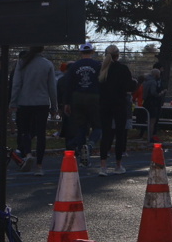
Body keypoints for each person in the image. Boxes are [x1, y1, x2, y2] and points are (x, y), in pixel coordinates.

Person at [9, 47, 58, 175]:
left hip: (24, 102)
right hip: (42, 102)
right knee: (41, 134)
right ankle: (39, 166)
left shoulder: (22, 62)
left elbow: (16, 84)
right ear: (42, 50)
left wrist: (13, 102)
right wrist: (54, 106)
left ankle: (28, 154)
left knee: (25, 131)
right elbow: (52, 87)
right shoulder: (47, 64)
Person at [98, 44, 135, 176]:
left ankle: (103, 165)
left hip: (104, 104)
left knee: (106, 134)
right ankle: (118, 164)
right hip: (120, 103)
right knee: (120, 134)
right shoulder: (123, 69)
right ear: (118, 55)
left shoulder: (102, 69)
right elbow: (130, 86)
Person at [64, 42, 102, 166]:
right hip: (94, 97)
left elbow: (69, 85)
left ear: (80, 52)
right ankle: (90, 145)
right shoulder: (98, 65)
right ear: (92, 52)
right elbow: (102, 82)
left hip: (78, 97)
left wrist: (67, 102)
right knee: (98, 126)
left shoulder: (74, 66)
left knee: (81, 127)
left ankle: (82, 156)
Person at [141, 68, 165, 142]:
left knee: (147, 120)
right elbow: (153, 92)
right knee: (152, 121)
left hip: (146, 102)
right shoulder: (153, 82)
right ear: (156, 75)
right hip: (152, 103)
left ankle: (145, 135)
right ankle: (150, 137)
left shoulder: (145, 81)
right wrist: (160, 94)